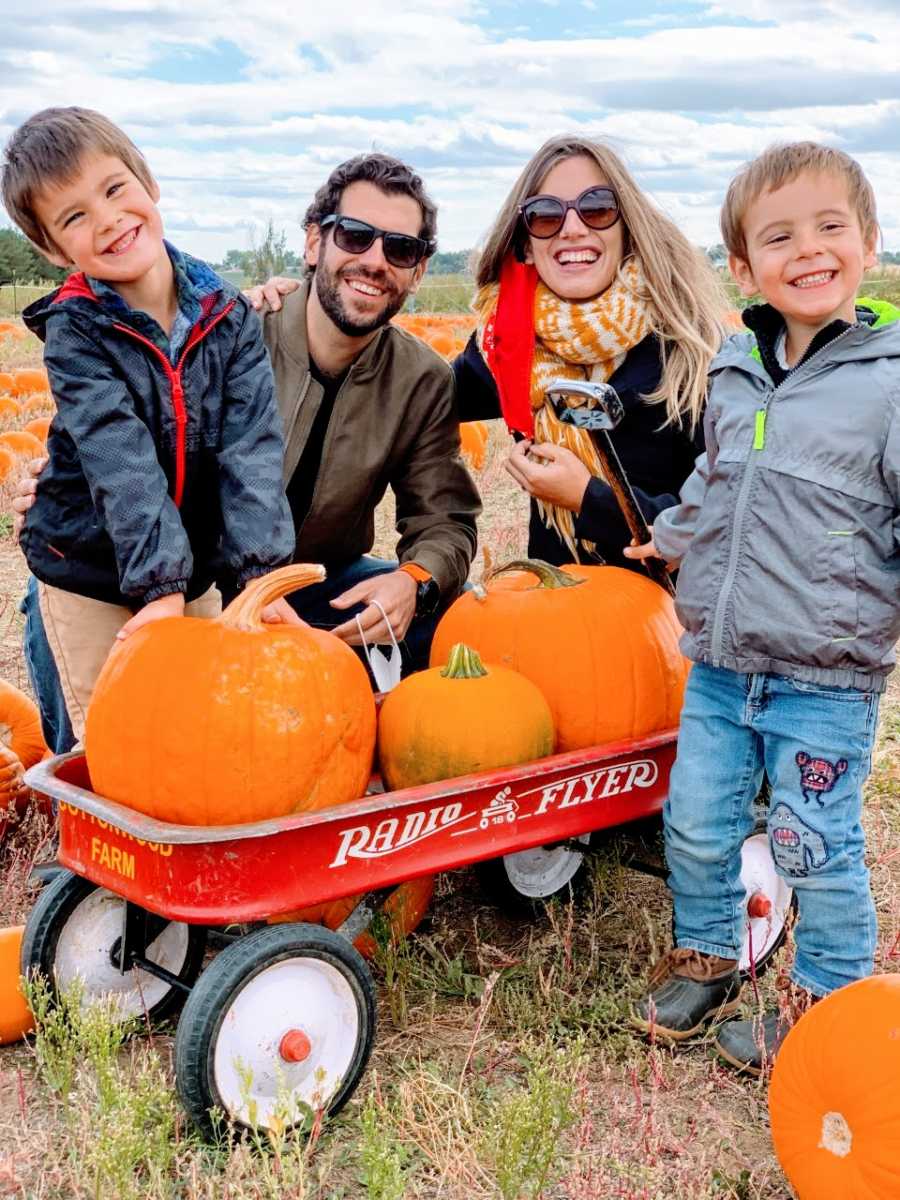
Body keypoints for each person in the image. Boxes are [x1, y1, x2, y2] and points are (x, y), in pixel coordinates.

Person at [14, 152, 481, 747]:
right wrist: (57, 487)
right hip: (197, 577)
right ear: (314, 242)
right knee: (72, 603)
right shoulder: (232, 330)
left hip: (311, 581)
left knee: (454, 609)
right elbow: (120, 446)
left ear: (417, 271)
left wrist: (415, 579)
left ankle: (362, 736)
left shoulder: (421, 380)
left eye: (401, 249)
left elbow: (447, 516)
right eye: (355, 236)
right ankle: (83, 769)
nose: (374, 261)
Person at [626, 142, 899, 1074]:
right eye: (778, 236)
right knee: (696, 818)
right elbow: (714, 481)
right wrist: (665, 539)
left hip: (827, 672)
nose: (808, 250)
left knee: (812, 844)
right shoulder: (739, 367)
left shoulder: (890, 380)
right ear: (744, 268)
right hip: (721, 659)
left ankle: (830, 1002)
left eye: (830, 228)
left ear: (868, 242)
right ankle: (708, 951)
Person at [1, 106, 295, 746]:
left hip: (193, 568)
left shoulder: (230, 318)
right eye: (74, 216)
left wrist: (259, 576)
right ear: (54, 250)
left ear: (148, 183)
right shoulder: (76, 332)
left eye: (114, 189)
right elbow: (121, 461)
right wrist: (159, 589)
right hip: (89, 571)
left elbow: (251, 453)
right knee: (115, 741)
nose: (107, 219)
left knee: (207, 733)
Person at [453, 134, 726, 569]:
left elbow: (716, 522)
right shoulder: (507, 346)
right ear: (525, 243)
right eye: (545, 215)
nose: (573, 228)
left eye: (597, 208)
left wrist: (586, 497)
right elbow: (414, 396)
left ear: (627, 227)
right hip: (554, 602)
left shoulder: (690, 351)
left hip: (668, 616)